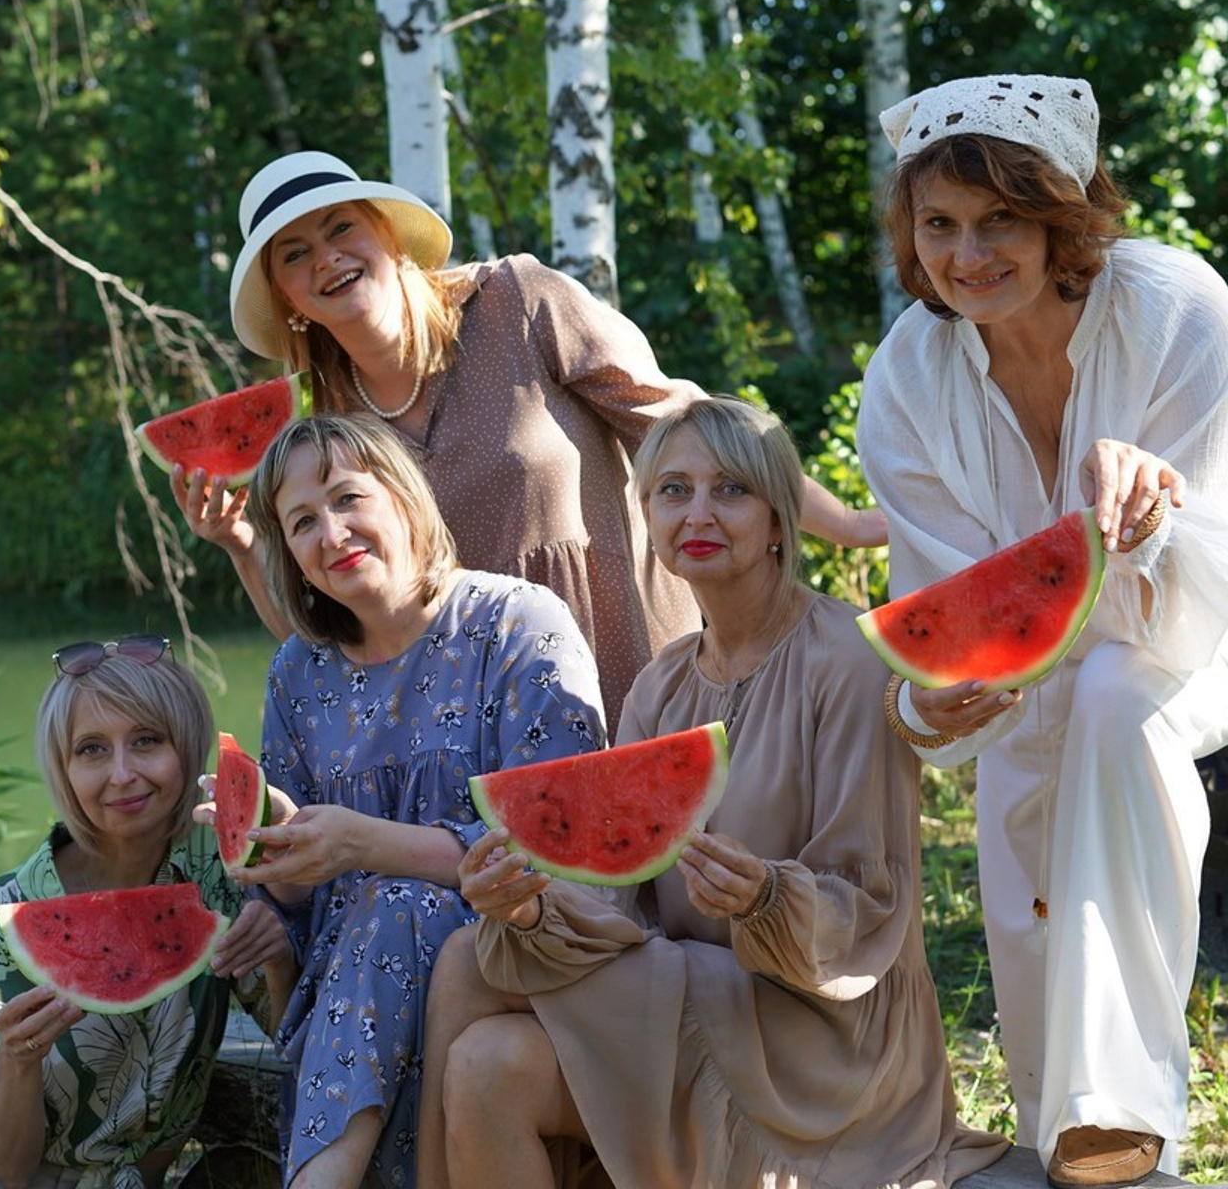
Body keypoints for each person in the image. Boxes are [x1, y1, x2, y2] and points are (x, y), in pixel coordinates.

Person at [414, 395, 1009, 1189]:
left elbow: (867, 906)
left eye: (730, 489)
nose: (699, 511)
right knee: (486, 1061)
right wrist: (528, 909)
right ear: (650, 520)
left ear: (778, 520)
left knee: (463, 966)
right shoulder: (661, 688)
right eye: (673, 490)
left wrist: (768, 897)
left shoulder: (849, 663)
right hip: (693, 996)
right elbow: (622, 900)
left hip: (824, 1033)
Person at [171, 149, 887, 731]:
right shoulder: (327, 426)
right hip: (476, 701)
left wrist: (852, 527)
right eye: (295, 255)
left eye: (340, 229)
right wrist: (239, 542)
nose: (325, 259)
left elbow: (692, 431)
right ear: (287, 300)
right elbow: (328, 620)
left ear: (388, 237)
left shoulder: (517, 302)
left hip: (630, 653)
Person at [856, 72, 1228, 1186]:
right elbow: (955, 604)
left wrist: (1152, 513)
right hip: (1037, 676)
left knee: (1114, 696)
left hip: (1202, 627)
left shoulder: (1180, 308)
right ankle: (1072, 1131)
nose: (966, 254)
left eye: (999, 220)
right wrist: (926, 700)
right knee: (1025, 748)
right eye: (939, 225)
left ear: (1061, 216)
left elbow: (1202, 574)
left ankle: (1114, 1102)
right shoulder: (902, 379)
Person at [218, 411, 607, 1188]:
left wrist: (364, 845)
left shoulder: (518, 623)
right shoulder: (297, 672)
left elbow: (562, 843)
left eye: (348, 498)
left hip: (519, 948)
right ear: (289, 554)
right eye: (302, 522)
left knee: (402, 906)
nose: (331, 533)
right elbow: (302, 900)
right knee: (386, 913)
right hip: (351, 994)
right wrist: (279, 846)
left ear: (403, 494)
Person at [0, 635, 295, 1188]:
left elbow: (295, 1036)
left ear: (187, 747)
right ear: (62, 769)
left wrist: (278, 955)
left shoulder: (218, 879)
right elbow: (7, 1171)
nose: (122, 773)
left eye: (147, 740)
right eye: (91, 749)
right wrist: (18, 1060)